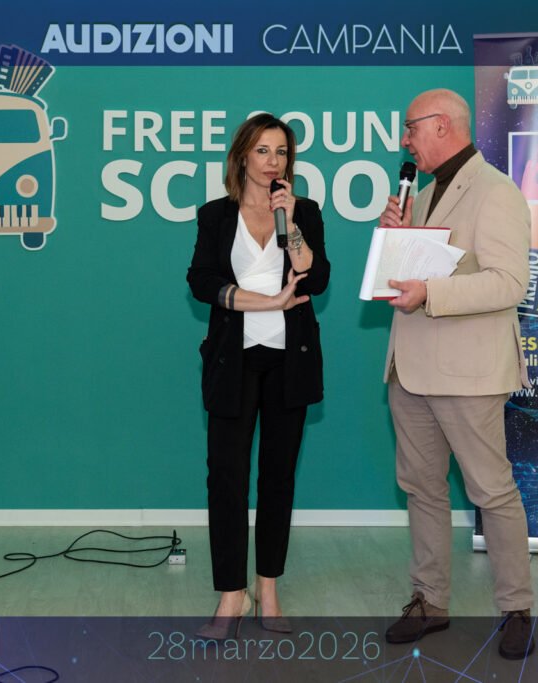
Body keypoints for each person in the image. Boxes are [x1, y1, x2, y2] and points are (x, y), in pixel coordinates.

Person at [377, 89, 534, 659]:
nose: (405, 141)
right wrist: (392, 238)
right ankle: (430, 601)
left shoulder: (496, 191)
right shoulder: (420, 195)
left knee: (491, 490)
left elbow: (509, 282)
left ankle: (517, 608)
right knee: (421, 489)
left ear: (442, 125)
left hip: (468, 373)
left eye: (411, 128)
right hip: (411, 369)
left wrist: (431, 293)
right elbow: (406, 281)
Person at [186, 113, 329, 639]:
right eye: (263, 151)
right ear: (242, 156)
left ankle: (268, 589)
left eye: (282, 152)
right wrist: (266, 302)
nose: (273, 162)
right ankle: (232, 595)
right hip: (233, 361)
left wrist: (290, 222)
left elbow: (316, 276)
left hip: (290, 361)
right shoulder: (215, 215)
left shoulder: (303, 212)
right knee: (225, 478)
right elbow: (201, 281)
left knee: (277, 477)